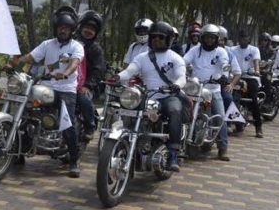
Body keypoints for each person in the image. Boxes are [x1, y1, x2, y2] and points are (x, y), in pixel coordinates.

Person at [15, 6, 84, 177]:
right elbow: (30, 58)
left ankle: (74, 160)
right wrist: (14, 63)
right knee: (25, 113)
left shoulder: (77, 46)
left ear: (71, 30)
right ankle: (19, 150)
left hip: (66, 89)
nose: (63, 30)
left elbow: (74, 63)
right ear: (56, 28)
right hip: (46, 87)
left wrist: (66, 73)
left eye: (66, 28)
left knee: (66, 122)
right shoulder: (47, 44)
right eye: (60, 27)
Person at [115, 21, 187, 171]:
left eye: (161, 37)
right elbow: (129, 71)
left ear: (168, 39)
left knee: (175, 110)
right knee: (127, 107)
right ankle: (128, 140)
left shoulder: (175, 58)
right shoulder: (142, 57)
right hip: (147, 96)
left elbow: (182, 77)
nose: (156, 40)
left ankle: (174, 153)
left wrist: (176, 85)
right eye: (153, 37)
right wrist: (117, 77)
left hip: (168, 96)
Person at [183, 24, 231, 161]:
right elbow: (183, 61)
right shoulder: (194, 50)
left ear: (216, 39)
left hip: (213, 88)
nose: (209, 40)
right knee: (188, 114)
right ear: (202, 38)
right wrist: (180, 69)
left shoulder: (221, 52)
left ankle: (223, 148)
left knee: (220, 117)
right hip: (196, 89)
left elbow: (224, 65)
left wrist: (224, 76)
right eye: (207, 37)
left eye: (212, 38)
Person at [75, 10, 106, 142]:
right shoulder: (70, 43)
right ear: (80, 27)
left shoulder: (95, 49)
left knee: (83, 98)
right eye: (87, 27)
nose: (88, 30)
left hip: (86, 85)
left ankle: (90, 127)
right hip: (66, 82)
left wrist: (88, 85)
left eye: (92, 29)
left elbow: (98, 70)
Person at [231, 30, 264, 138]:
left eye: (245, 37)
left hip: (250, 77)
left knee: (253, 100)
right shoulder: (232, 50)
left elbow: (256, 62)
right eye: (241, 37)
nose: (243, 39)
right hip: (236, 78)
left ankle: (258, 127)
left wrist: (257, 71)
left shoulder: (254, 49)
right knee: (232, 97)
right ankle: (236, 123)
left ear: (249, 39)